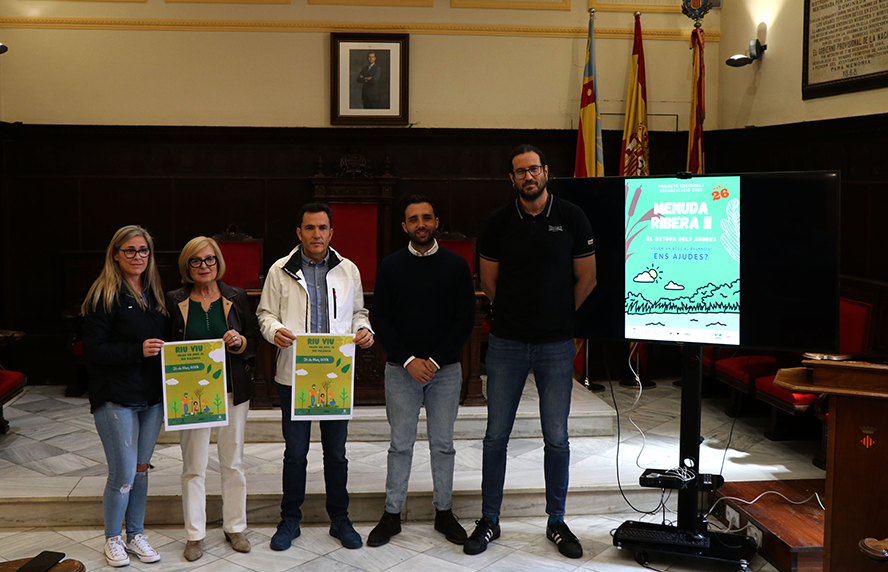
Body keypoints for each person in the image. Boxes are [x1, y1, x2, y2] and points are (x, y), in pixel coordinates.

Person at [464, 145, 598, 559]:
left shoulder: (572, 216)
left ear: (546, 172)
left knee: (556, 437)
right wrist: (518, 316)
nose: (528, 176)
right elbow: (489, 282)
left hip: (556, 345)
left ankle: (556, 521)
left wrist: (557, 316)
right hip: (507, 343)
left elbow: (588, 278)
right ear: (512, 179)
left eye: (534, 169)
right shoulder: (498, 221)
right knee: (495, 436)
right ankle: (490, 519)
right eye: (520, 172)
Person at [257, 202, 374, 551]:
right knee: (295, 453)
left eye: (323, 228)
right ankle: (289, 520)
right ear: (299, 232)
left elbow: (358, 312)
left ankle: (340, 519)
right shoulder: (280, 270)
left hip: (335, 374)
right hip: (295, 374)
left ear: (331, 232)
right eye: (310, 228)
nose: (317, 234)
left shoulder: (348, 269)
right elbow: (264, 314)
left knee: (336, 453)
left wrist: (364, 329)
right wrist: (274, 331)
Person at [367, 195, 476, 547]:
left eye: (426, 218)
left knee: (443, 445)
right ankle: (392, 514)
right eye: (413, 219)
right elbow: (381, 319)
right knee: (400, 445)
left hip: (445, 370)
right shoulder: (390, 266)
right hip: (402, 370)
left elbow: (465, 320)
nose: (421, 224)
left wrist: (435, 361)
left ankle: (444, 512)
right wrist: (409, 360)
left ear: (436, 222)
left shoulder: (456, 265)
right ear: (405, 226)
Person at [165, 236, 259, 562]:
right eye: (196, 261)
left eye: (209, 259)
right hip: (192, 396)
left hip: (232, 391)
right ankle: (195, 535)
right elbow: (167, 346)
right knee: (194, 466)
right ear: (187, 266)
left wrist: (240, 342)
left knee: (233, 463)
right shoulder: (174, 300)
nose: (204, 266)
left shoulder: (236, 296)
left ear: (218, 262)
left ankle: (235, 527)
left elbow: (254, 343)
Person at [81, 225, 168, 568]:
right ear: (116, 254)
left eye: (143, 250)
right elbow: (93, 350)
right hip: (115, 397)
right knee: (123, 473)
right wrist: (136, 350)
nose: (137, 256)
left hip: (152, 397)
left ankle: (135, 534)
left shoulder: (155, 293)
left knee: (142, 470)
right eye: (130, 250)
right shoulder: (103, 294)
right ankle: (112, 538)